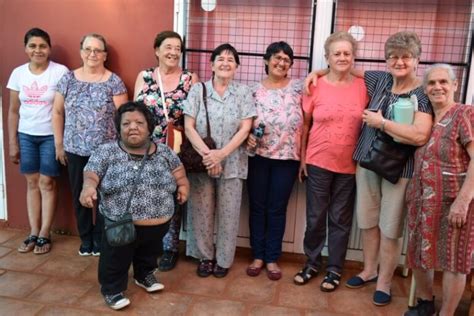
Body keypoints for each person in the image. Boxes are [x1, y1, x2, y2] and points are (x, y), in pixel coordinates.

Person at [305, 31, 433, 305]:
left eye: (405, 57)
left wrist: (382, 123)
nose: (399, 62)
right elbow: (342, 67)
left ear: (416, 61)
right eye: (394, 57)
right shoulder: (380, 80)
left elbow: (420, 135)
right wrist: (315, 73)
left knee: (389, 227)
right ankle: (369, 270)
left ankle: (384, 282)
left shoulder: (421, 94)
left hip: (398, 170)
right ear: (387, 61)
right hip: (365, 164)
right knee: (368, 223)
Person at [79, 101, 189, 310]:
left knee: (150, 251)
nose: (132, 127)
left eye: (139, 122)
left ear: (149, 127)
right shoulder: (107, 151)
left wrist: (183, 187)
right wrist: (88, 188)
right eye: (126, 123)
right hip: (120, 223)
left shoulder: (164, 152)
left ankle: (144, 274)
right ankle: (112, 289)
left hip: (158, 222)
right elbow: (91, 173)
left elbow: (179, 173)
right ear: (119, 128)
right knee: (116, 258)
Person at [294, 32, 368, 291]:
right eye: (337, 53)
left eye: (347, 53)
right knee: (315, 218)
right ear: (327, 57)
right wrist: (303, 159)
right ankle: (312, 263)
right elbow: (304, 125)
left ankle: (335, 269)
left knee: (340, 220)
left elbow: (385, 79)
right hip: (317, 161)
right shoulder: (315, 85)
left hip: (350, 166)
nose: (342, 57)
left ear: (354, 57)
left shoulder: (364, 85)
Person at [404, 64, 473, 316]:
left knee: (454, 261)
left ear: (455, 85)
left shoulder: (464, 114)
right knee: (419, 253)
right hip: (422, 201)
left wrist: (463, 201)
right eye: (431, 83)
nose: (437, 87)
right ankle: (425, 303)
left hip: (454, 202)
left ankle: (446, 313)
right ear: (425, 89)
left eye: (443, 82)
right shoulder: (427, 119)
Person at [52, 33, 128, 256]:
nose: (92, 54)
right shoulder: (68, 79)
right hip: (75, 150)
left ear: (104, 55)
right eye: (88, 49)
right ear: (81, 52)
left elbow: (122, 117)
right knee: (80, 194)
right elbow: (57, 112)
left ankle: (99, 238)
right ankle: (86, 239)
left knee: (106, 196)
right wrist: (59, 145)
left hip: (106, 153)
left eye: (97, 50)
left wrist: (121, 150)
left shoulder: (114, 81)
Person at [184, 43, 256, 278]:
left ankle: (224, 260)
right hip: (202, 162)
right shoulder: (198, 90)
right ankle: (205, 257)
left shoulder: (244, 93)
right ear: (212, 64)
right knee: (201, 211)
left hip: (233, 163)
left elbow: (245, 129)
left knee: (229, 213)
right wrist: (209, 156)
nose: (225, 62)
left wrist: (221, 155)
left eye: (231, 59)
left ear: (236, 66)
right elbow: (188, 126)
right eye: (220, 58)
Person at [134, 30, 198, 272]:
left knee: (172, 196)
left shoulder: (190, 79)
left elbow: (197, 115)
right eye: (168, 47)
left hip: (176, 148)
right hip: (147, 148)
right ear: (157, 50)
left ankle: (170, 247)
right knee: (147, 194)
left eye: (177, 48)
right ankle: (149, 244)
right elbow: (133, 112)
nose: (173, 52)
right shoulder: (145, 76)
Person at [7, 28, 68, 254]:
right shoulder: (18, 74)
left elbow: (64, 108)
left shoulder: (60, 72)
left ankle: (45, 233)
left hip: (50, 135)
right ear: (26, 49)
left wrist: (61, 141)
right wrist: (12, 142)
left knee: (47, 183)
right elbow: (13, 111)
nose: (38, 50)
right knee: (32, 183)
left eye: (42, 46)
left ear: (49, 48)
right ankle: (33, 231)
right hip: (26, 135)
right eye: (33, 46)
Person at [245, 42, 303, 281]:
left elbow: (308, 122)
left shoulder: (300, 88)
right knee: (257, 207)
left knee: (277, 209)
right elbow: (245, 121)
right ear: (266, 60)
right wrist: (247, 135)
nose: (281, 63)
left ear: (291, 64)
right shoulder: (253, 90)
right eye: (277, 58)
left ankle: (271, 258)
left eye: (286, 59)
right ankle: (257, 255)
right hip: (258, 156)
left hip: (287, 158)